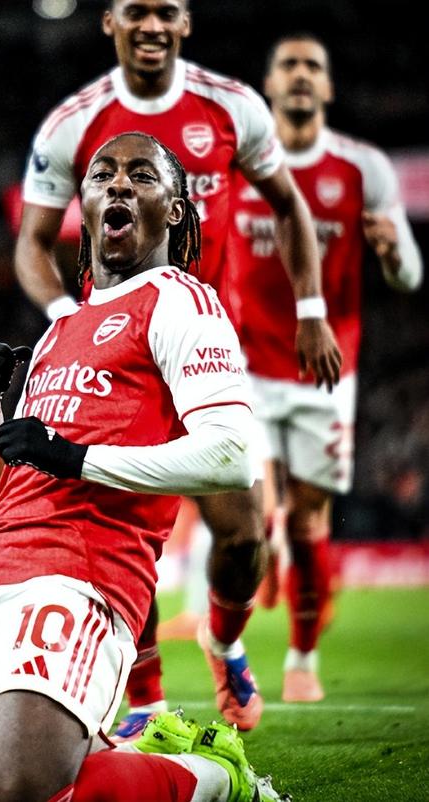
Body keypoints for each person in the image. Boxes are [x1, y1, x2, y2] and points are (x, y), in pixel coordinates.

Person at [0, 133, 288, 802]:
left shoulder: (181, 302)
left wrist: (76, 457)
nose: (118, 184)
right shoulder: (59, 331)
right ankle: (110, 754)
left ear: (175, 210)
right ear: (82, 204)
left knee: (19, 794)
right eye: (102, 175)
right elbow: (13, 494)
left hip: (81, 583)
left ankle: (214, 778)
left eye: (141, 175)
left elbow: (231, 456)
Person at [14, 0, 342, 733]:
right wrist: (68, 319)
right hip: (113, 351)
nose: (152, 26)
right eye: (137, 12)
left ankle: (223, 642)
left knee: (244, 533)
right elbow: (32, 242)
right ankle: (147, 700)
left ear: (186, 22)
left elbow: (288, 206)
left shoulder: (232, 108)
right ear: (110, 21)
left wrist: (312, 310)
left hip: (200, 342)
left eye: (167, 11)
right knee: (116, 524)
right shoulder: (73, 122)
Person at [228, 33, 423, 702]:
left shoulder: (363, 167)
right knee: (249, 516)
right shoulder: (239, 162)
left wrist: (394, 253)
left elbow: (410, 275)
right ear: (269, 85)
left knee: (309, 524)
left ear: (329, 88)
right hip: (242, 366)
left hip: (325, 371)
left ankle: (302, 658)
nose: (302, 74)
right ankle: (242, 616)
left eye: (313, 66)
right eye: (289, 65)